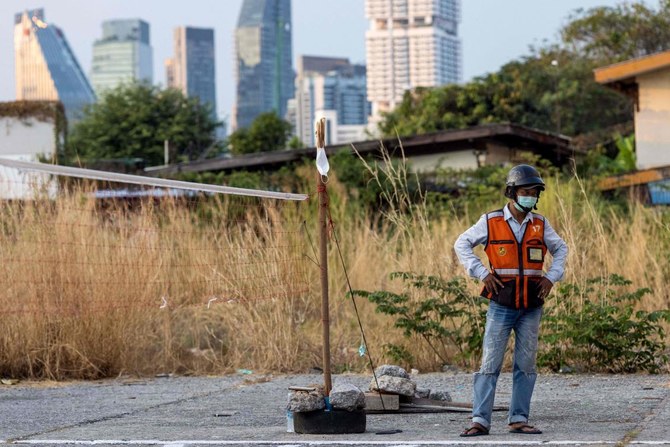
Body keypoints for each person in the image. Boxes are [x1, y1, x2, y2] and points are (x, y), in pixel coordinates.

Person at [453, 164, 568, 437]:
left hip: (531, 305)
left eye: (534, 192)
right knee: (489, 363)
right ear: (512, 192)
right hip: (501, 304)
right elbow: (462, 243)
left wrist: (551, 277)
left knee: (526, 365)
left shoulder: (540, 224)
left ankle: (519, 418)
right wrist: (481, 272)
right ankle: (480, 420)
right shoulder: (491, 221)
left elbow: (561, 248)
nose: (530, 196)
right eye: (525, 191)